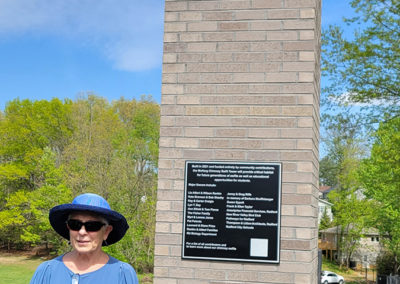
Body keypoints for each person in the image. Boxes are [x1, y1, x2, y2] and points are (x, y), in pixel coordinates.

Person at [30, 193, 139, 284]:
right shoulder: (47, 271)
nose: (82, 232)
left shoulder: (122, 274)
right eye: (75, 224)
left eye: (92, 226)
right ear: (68, 227)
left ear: (106, 231)